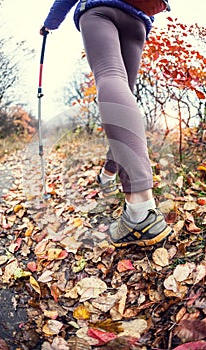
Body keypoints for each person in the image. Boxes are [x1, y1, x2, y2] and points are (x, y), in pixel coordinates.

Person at [40, 0, 173, 248]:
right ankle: (108, 175)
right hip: (137, 21)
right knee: (124, 98)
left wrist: (49, 24)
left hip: (101, 10)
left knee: (110, 78)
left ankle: (140, 212)